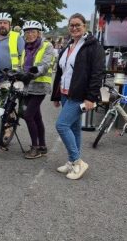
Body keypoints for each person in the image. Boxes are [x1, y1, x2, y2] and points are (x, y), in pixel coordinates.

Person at [50, 13, 104, 180]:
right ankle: (72, 162)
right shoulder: (68, 46)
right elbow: (61, 72)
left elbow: (97, 74)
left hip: (79, 95)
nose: (74, 28)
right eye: (71, 25)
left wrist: (91, 98)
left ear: (84, 26)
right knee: (74, 129)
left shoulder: (93, 46)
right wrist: (57, 95)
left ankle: (77, 161)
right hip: (66, 94)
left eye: (77, 25)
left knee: (62, 125)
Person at [19, 20, 53, 159]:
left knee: (28, 116)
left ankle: (35, 148)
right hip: (27, 87)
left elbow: (44, 65)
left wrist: (32, 74)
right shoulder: (26, 47)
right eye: (27, 32)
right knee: (37, 117)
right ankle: (42, 146)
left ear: (39, 33)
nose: (30, 34)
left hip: (40, 86)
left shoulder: (47, 46)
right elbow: (22, 66)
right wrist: (15, 73)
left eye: (33, 31)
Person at [0, 12, 23, 85]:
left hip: (9, 78)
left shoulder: (17, 37)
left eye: (5, 23)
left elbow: (24, 56)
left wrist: (19, 74)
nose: (2, 25)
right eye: (0, 23)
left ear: (9, 25)